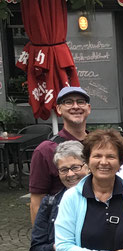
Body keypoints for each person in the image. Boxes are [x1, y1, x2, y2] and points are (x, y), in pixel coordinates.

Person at [29, 86, 90, 223]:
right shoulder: (45, 150)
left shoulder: (97, 145)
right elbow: (37, 201)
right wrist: (40, 241)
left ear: (88, 108)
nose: (75, 106)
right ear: (59, 109)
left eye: (80, 102)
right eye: (68, 102)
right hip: (63, 227)